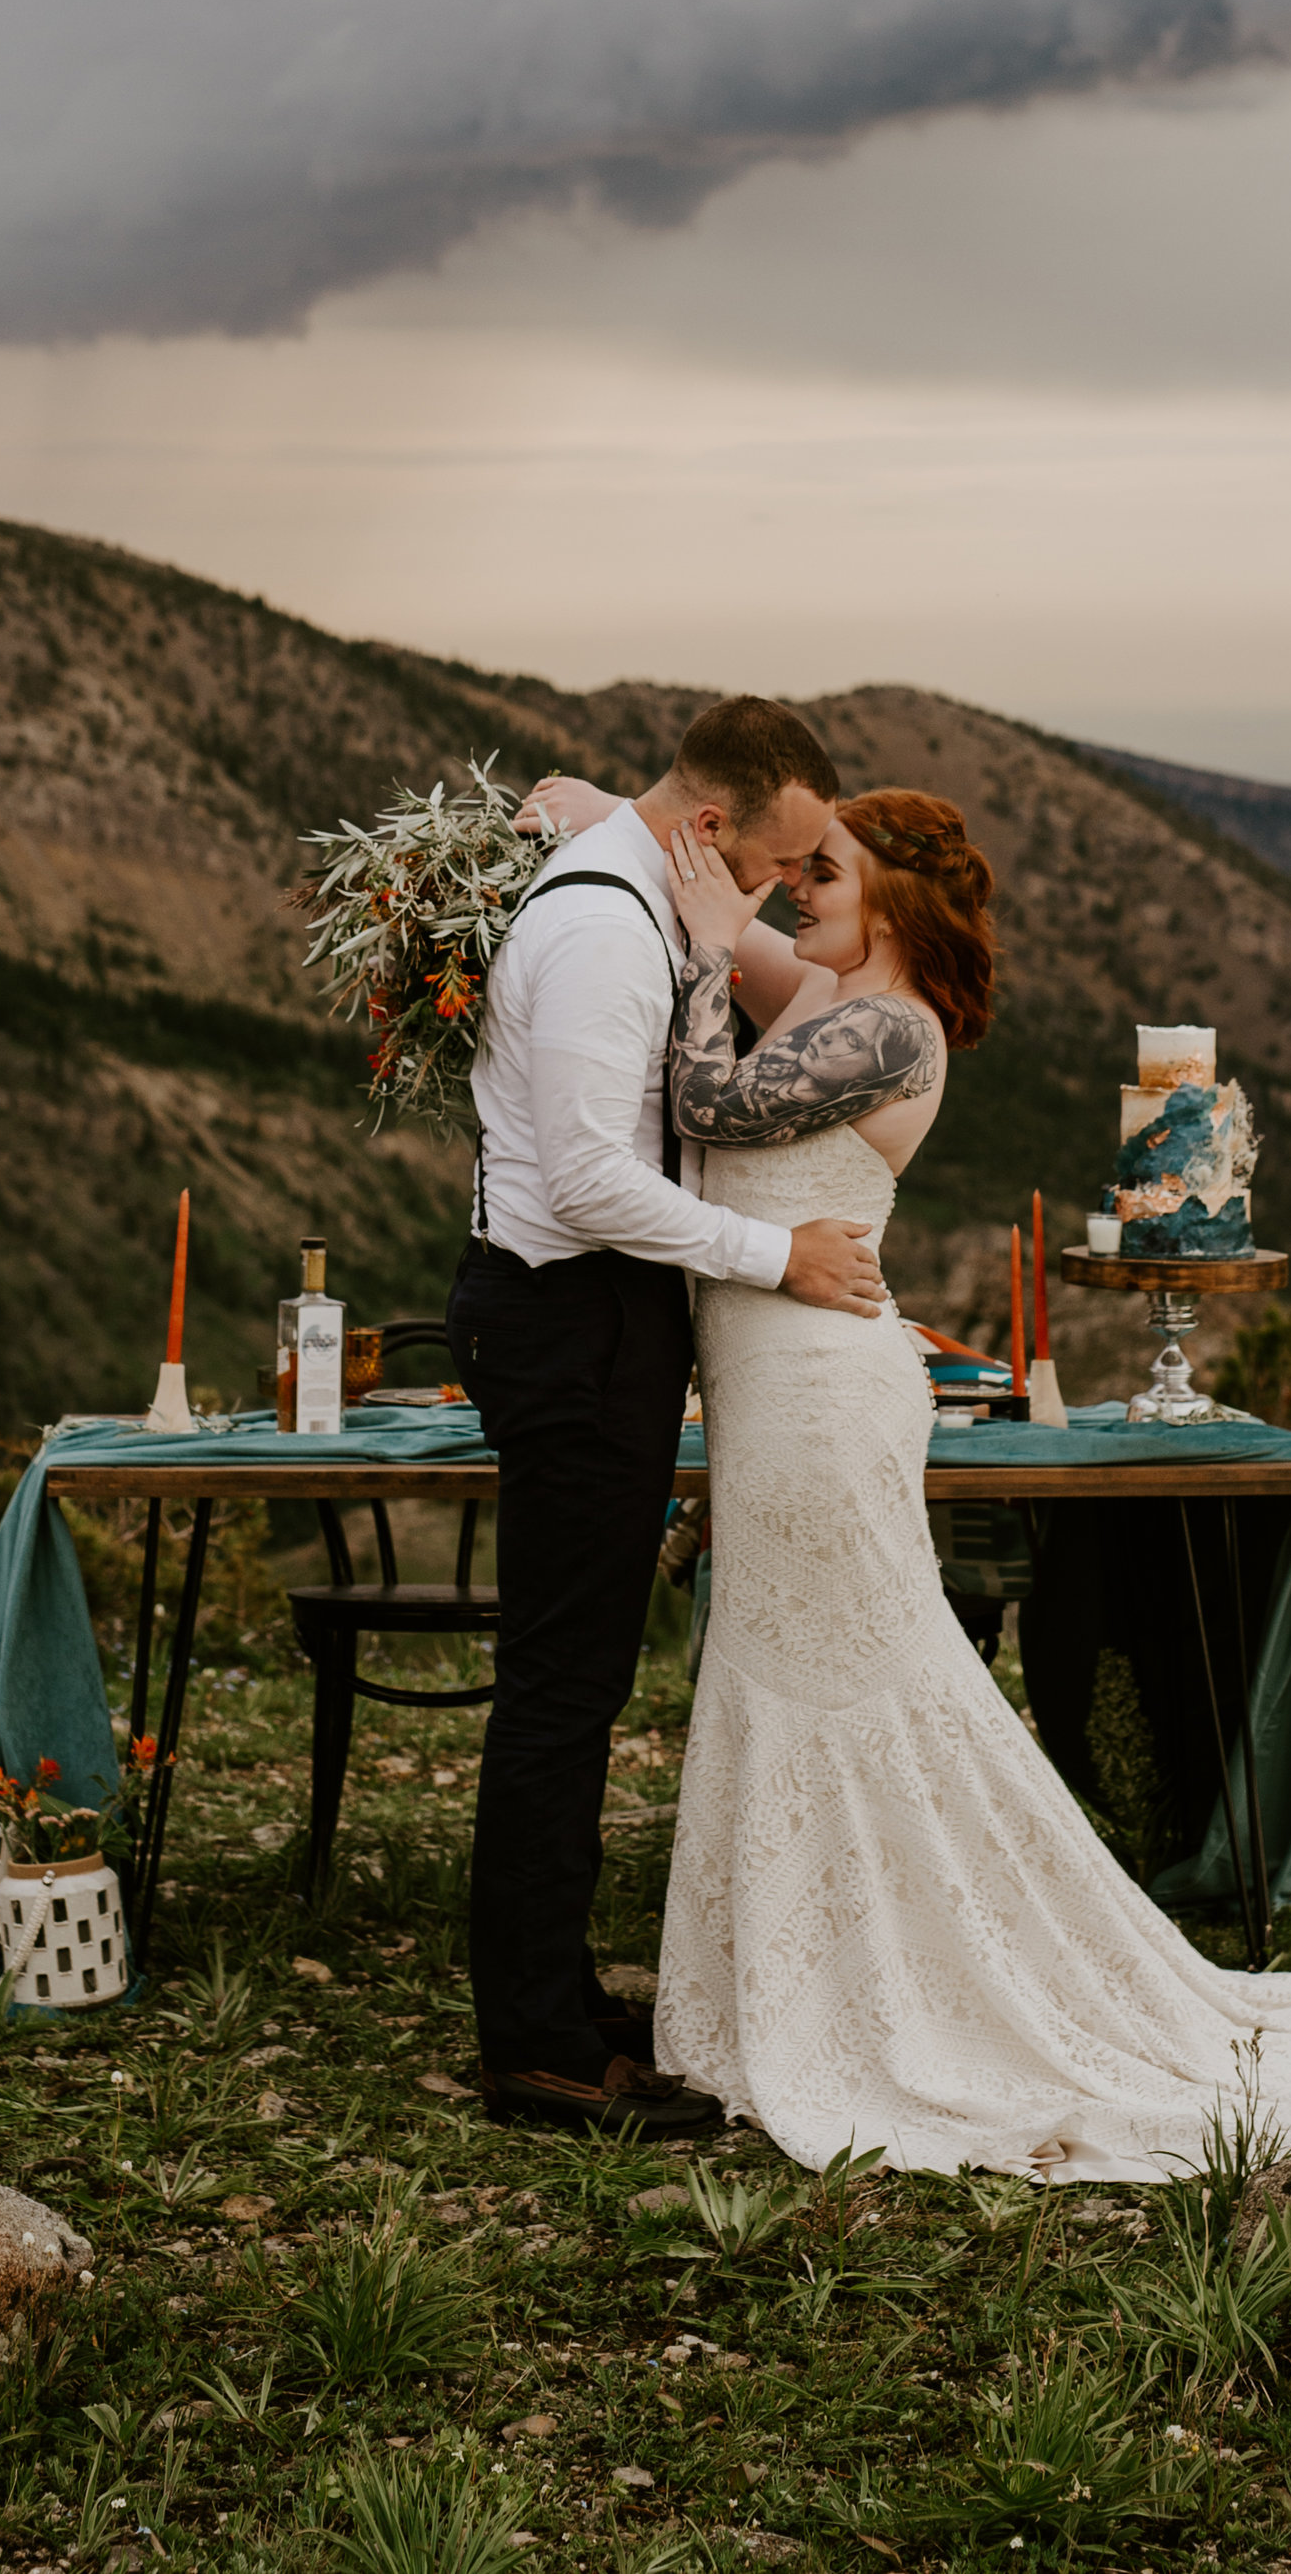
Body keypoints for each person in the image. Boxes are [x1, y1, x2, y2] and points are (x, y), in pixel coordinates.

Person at [554, 773, 1291, 2179]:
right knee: (784, 1665)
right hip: (778, 1392)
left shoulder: (888, 1029)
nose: (797, 887)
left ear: (897, 894)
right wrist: (625, 818)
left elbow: (697, 1092)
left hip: (825, 1400)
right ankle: (803, 1977)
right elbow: (733, 932)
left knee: (853, 1678)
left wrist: (717, 948)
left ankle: (892, 1987)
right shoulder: (830, 995)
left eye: (826, 866)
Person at [448, 694, 887, 2137]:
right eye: (771, 867)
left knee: (580, 1680)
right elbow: (585, 1178)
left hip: (605, 1323)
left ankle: (560, 2001)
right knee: (562, 1687)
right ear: (709, 830)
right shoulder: (594, 933)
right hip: (568, 1320)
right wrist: (781, 1256)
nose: (773, 898)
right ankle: (537, 2052)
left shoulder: (648, 903)